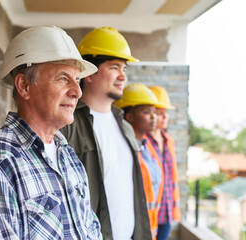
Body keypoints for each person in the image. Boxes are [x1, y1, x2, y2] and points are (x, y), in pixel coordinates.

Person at [0, 26, 102, 240]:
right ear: (25, 86)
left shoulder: (68, 156)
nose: (77, 91)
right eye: (63, 78)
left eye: (77, 80)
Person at [60, 27, 151, 240]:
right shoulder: (67, 124)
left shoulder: (126, 127)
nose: (122, 76)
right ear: (90, 73)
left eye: (125, 70)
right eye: (114, 68)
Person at [114, 83, 164, 240]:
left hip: (149, 229)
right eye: (146, 112)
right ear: (129, 117)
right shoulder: (122, 149)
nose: (153, 117)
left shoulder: (148, 148)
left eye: (154, 112)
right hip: (131, 231)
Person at [146, 86, 181, 240]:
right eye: (160, 113)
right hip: (149, 213)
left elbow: (172, 176)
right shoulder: (142, 140)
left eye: (165, 113)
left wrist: (174, 208)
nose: (164, 117)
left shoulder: (169, 140)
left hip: (166, 212)